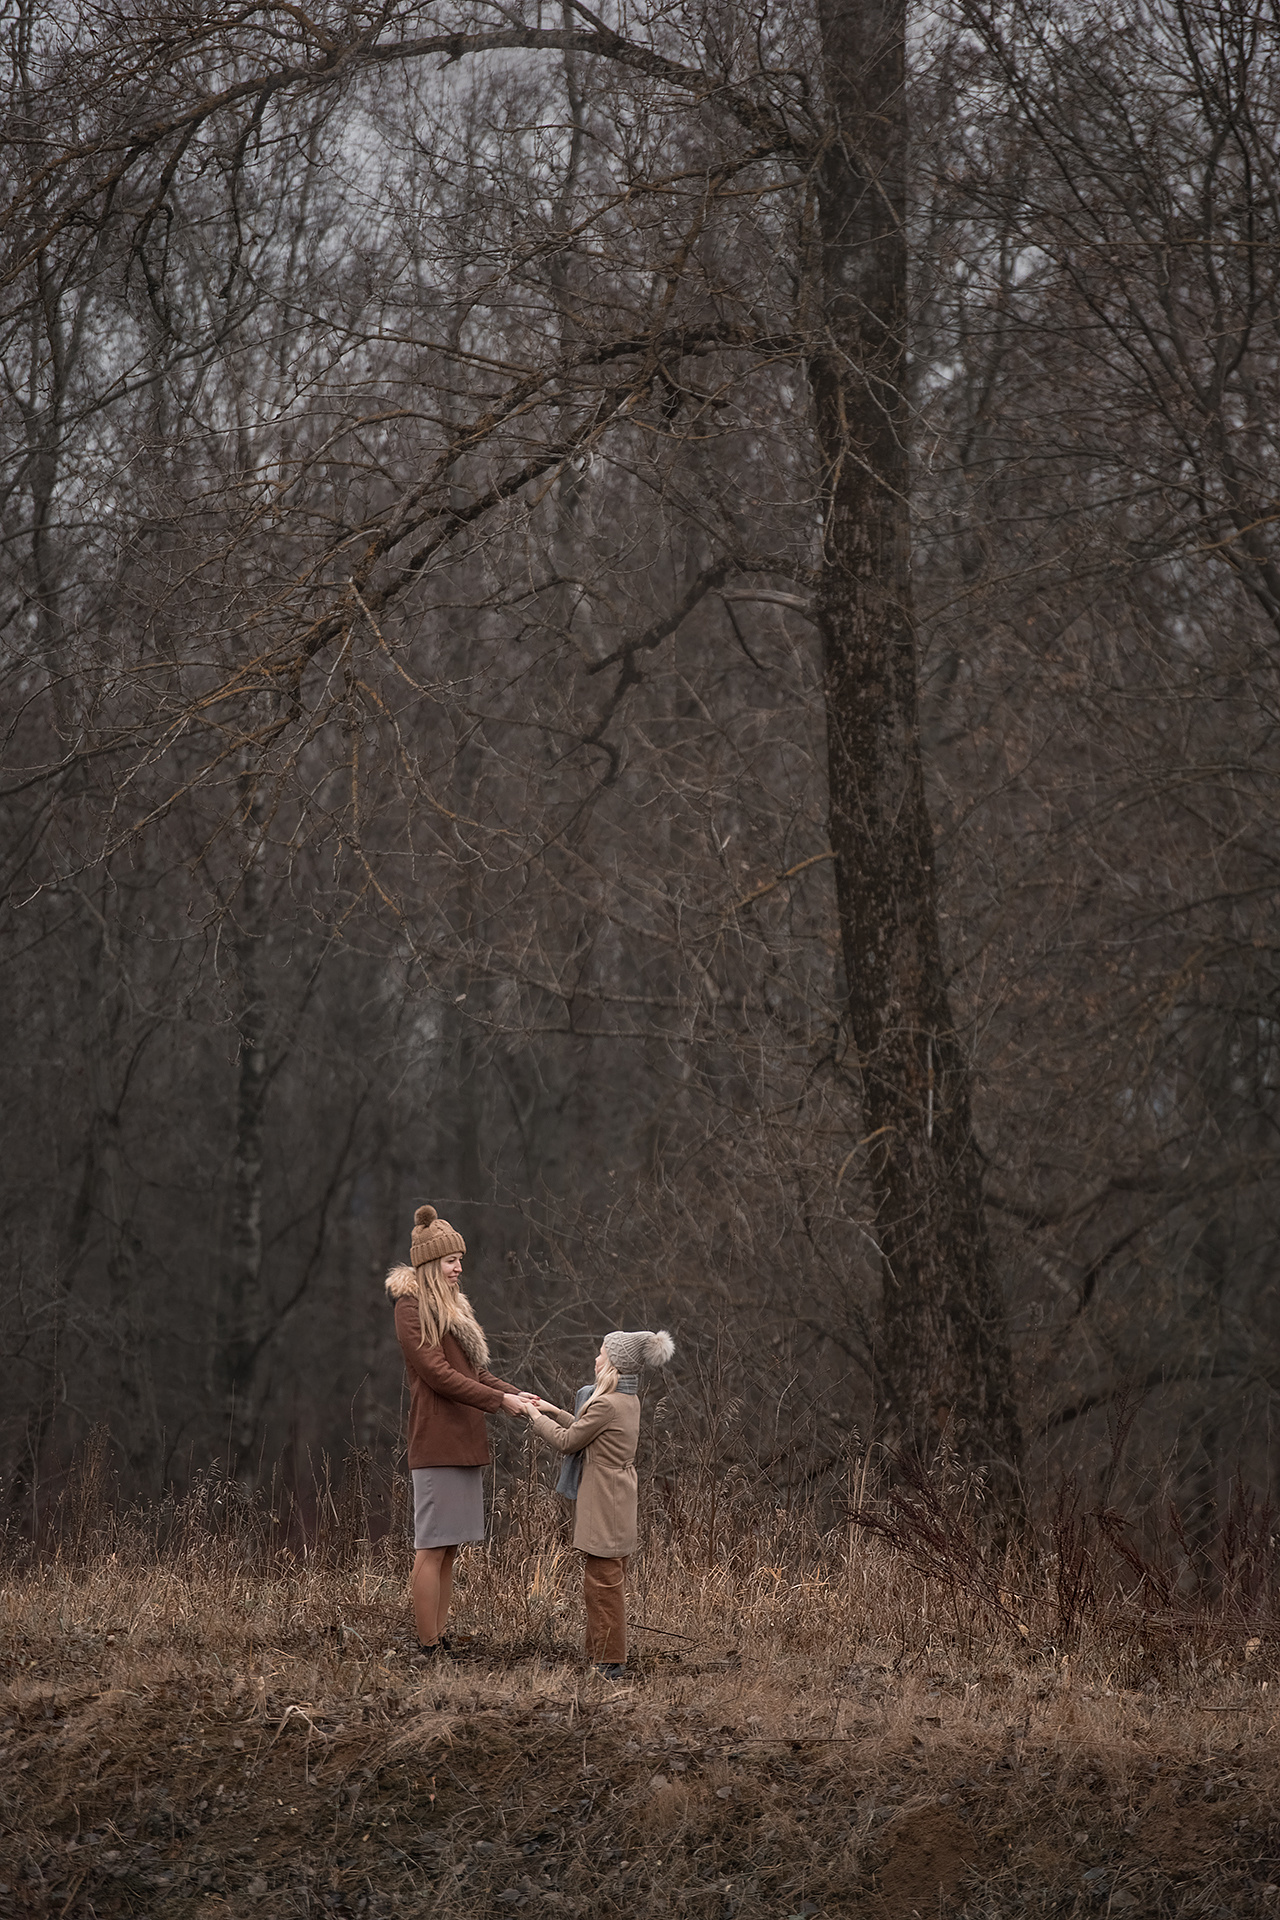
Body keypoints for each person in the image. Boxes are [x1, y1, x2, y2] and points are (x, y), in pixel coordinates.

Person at [387, 1204, 533, 1654]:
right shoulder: (410, 1309)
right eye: (452, 1260)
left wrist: (516, 1397)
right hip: (436, 1444)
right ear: (431, 1263)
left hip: (465, 1442)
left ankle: (440, 1638)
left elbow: (475, 1373)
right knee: (431, 1549)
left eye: (460, 1260)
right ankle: (428, 1646)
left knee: (449, 1549)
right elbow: (438, 1376)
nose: (459, 1267)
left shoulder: (454, 1310)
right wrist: (498, 1401)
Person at [522, 1328, 674, 1678]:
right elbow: (583, 1429)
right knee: (604, 1581)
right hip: (617, 1498)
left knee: (603, 1586)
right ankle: (600, 1657)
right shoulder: (625, 1400)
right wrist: (551, 1409)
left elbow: (568, 1441)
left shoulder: (605, 1403)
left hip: (605, 1502)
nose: (596, 1358)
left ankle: (609, 1662)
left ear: (615, 1364)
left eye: (602, 1352)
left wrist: (534, 1417)